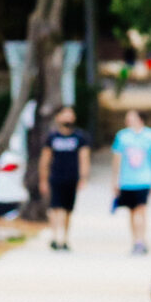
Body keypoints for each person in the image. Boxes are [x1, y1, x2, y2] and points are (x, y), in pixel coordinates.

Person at [110, 108, 151, 255]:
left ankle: (141, 240)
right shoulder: (122, 136)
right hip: (127, 180)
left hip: (144, 179)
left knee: (142, 209)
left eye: (131, 118)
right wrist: (115, 180)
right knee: (132, 212)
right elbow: (117, 159)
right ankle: (135, 240)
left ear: (140, 119)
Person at [39, 107, 87, 251]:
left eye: (70, 114)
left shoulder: (80, 137)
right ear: (58, 117)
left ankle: (65, 238)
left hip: (72, 177)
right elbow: (45, 159)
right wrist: (43, 179)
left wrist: (83, 177)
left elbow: (84, 158)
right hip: (56, 177)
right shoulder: (52, 137)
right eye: (64, 115)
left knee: (67, 209)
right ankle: (55, 237)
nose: (68, 118)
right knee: (55, 208)